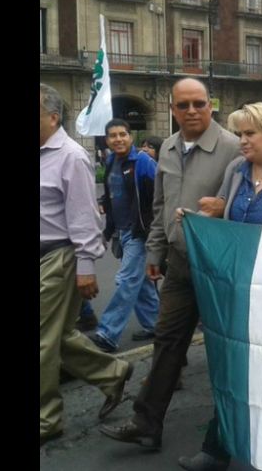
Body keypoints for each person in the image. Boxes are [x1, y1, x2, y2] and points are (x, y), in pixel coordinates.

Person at [99, 78, 240, 450]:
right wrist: (155, 254)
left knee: (224, 349)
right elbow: (160, 206)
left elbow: (242, 206)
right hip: (178, 262)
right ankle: (147, 423)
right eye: (184, 105)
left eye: (199, 103)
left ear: (212, 105)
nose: (192, 111)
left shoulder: (232, 147)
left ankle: (228, 433)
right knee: (167, 340)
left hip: (219, 267)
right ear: (173, 110)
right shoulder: (167, 148)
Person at [175, 101, 262, 471]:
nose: (242, 141)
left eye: (250, 133)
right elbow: (225, 214)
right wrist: (205, 216)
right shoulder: (236, 170)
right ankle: (217, 449)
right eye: (240, 133)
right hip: (236, 289)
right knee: (231, 368)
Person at [40, 83, 133, 445]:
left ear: (52, 116)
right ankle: (113, 372)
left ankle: (47, 419)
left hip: (58, 256)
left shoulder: (71, 156)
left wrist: (85, 267)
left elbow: (82, 218)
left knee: (43, 341)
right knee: (57, 337)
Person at [86, 119, 159, 353]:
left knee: (126, 280)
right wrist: (107, 228)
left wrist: (154, 231)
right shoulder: (110, 161)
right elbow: (110, 194)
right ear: (107, 140)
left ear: (130, 137)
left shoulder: (144, 162)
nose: (118, 139)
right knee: (142, 282)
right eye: (112, 135)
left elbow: (160, 197)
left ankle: (108, 333)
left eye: (122, 134)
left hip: (140, 233)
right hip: (121, 231)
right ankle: (156, 325)